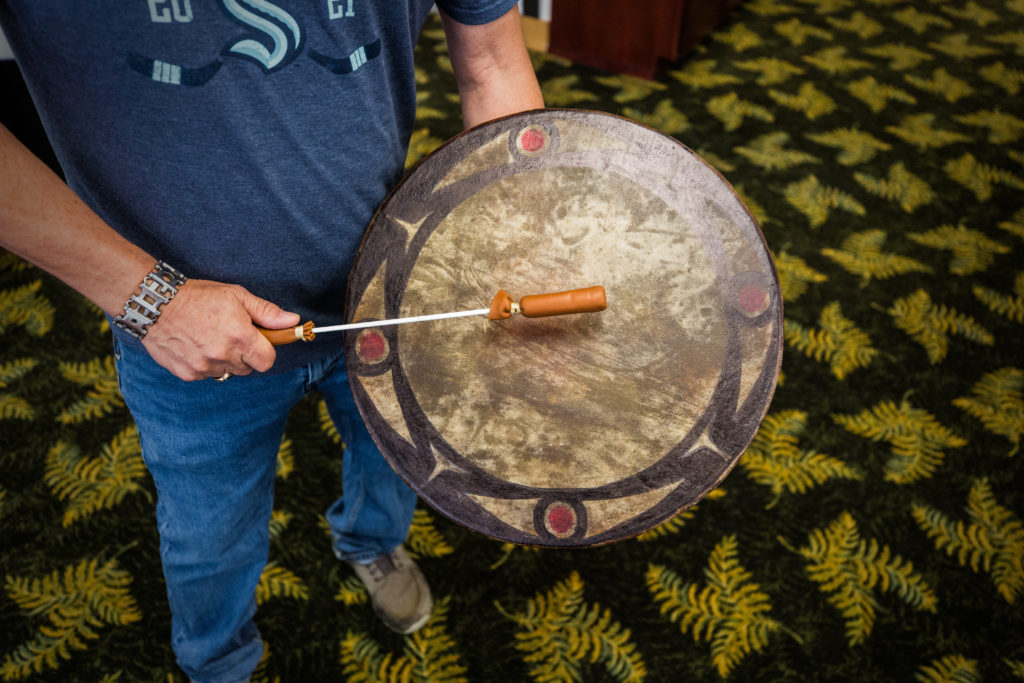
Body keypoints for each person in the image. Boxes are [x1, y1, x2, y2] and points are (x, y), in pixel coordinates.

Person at [0, 1, 543, 681]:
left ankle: (370, 541)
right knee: (211, 535)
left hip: (394, 293)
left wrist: (517, 245)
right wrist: (148, 298)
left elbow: (492, 62)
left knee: (398, 459)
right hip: (183, 335)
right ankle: (217, 659)